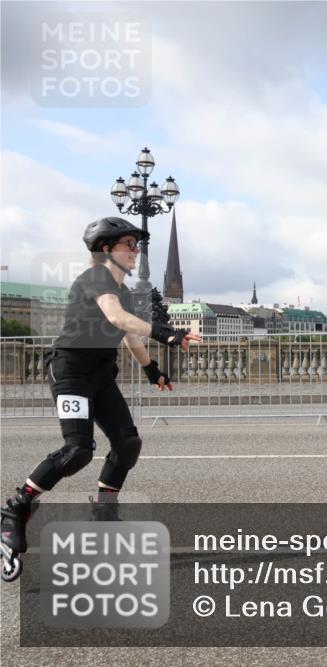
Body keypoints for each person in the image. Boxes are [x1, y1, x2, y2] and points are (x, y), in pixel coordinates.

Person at [0, 217, 202, 581]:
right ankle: (16, 507)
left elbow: (127, 332)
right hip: (71, 370)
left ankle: (105, 515)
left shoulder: (121, 290)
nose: (136, 251)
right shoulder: (96, 277)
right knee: (78, 450)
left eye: (138, 245)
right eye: (129, 243)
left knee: (128, 443)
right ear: (106, 249)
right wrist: (166, 333)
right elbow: (114, 316)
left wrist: (151, 369)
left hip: (99, 375)